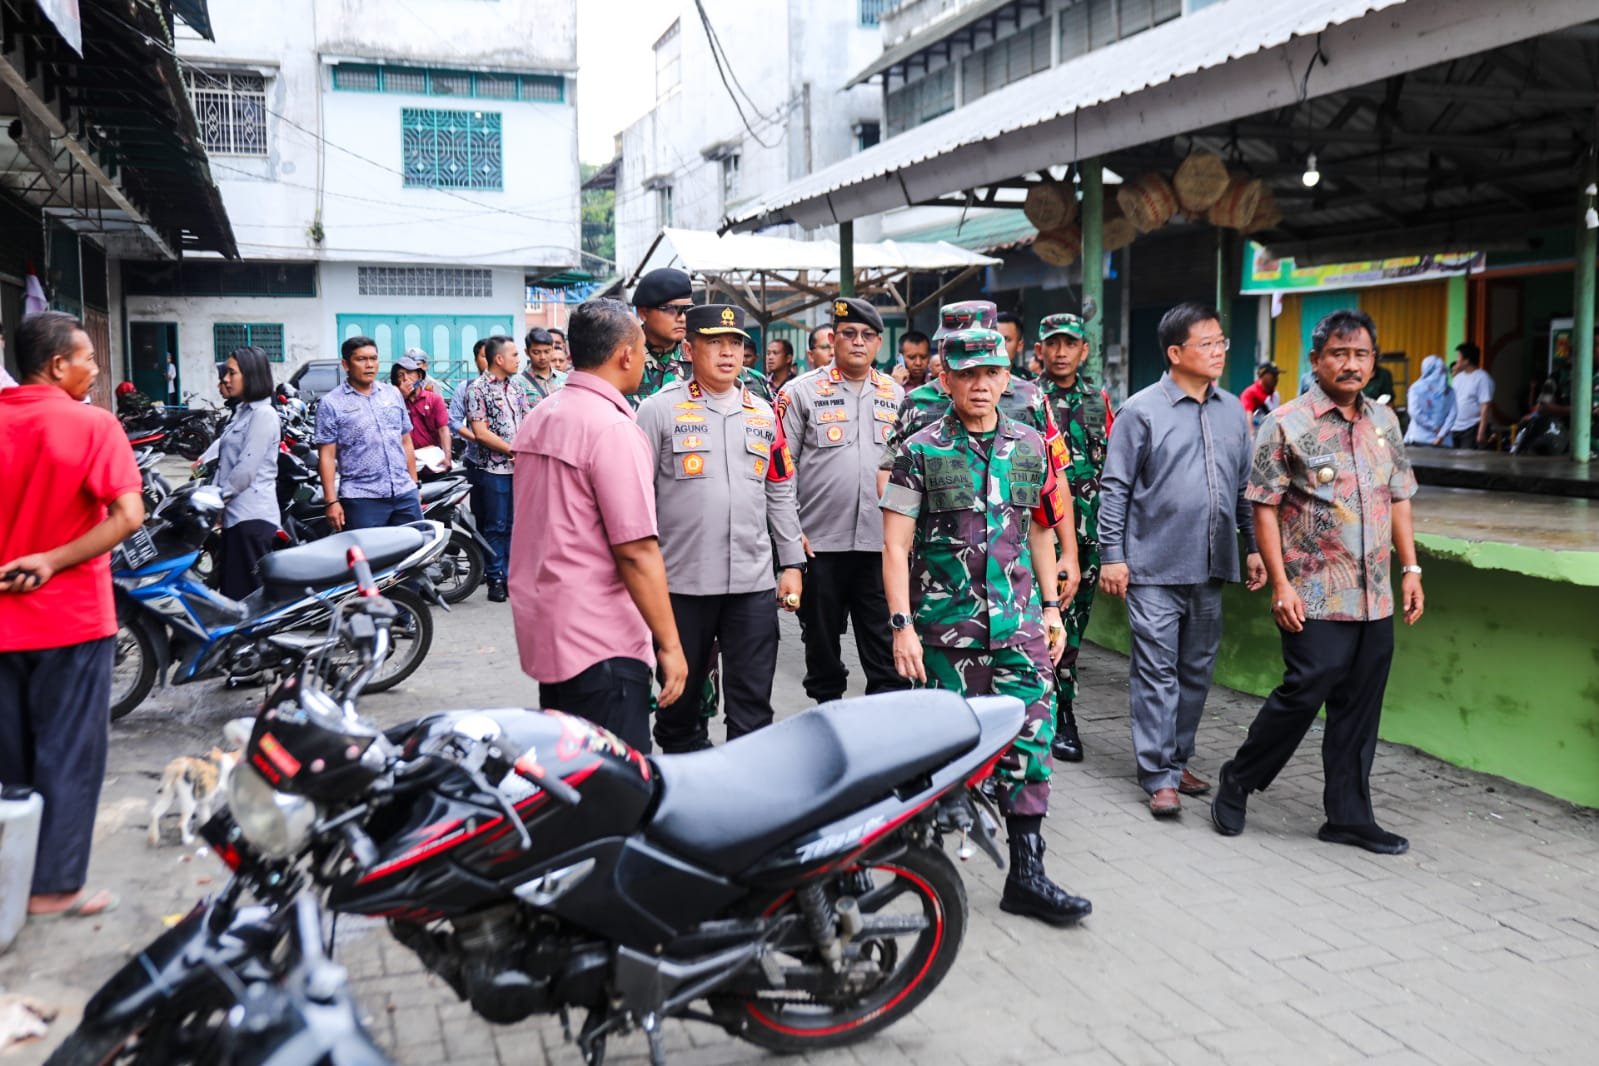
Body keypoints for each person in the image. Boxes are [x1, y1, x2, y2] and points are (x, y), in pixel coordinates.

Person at [882, 326, 1090, 926]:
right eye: (967, 374)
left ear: (1007, 377)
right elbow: (895, 547)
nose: (980, 385)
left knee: (1032, 743)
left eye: (990, 373)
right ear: (944, 379)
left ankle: (1027, 874)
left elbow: (1039, 530)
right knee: (943, 752)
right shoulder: (920, 448)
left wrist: (1051, 608)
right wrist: (901, 627)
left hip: (1021, 627)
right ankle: (915, 871)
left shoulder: (1029, 444)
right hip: (947, 633)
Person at [1212, 309, 1423, 855]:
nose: (1351, 365)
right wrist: (1280, 584)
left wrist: (1411, 569)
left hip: (1374, 594)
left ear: (1373, 361)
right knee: (1304, 691)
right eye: (1339, 353)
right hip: (1313, 590)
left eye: (1361, 355)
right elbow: (1263, 508)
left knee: (1360, 704)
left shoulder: (1384, 422)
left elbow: (1398, 498)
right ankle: (1239, 779)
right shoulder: (1286, 422)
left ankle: (1349, 817)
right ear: (1316, 360)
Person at [0, 310, 144, 920]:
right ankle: (54, 887)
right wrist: (53, 560)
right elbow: (128, 516)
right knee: (68, 753)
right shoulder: (93, 426)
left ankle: (9, 878)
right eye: (87, 358)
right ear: (57, 365)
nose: (95, 368)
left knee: (10, 761)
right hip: (72, 620)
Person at [1097, 302, 1266, 818]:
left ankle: (1177, 758)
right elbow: (1115, 488)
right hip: (1151, 566)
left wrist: (1254, 546)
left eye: (1222, 343)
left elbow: (1243, 487)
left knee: (1196, 670)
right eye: (1207, 343)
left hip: (1211, 566)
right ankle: (1157, 775)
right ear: (1176, 353)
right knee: (1156, 672)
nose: (1218, 352)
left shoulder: (1232, 411)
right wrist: (1112, 556)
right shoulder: (1140, 411)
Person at [509, 299, 688, 751]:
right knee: (617, 783)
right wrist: (669, 643)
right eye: (643, 347)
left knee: (569, 772)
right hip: (601, 640)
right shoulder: (611, 428)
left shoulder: (540, 417)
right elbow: (635, 549)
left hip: (549, 628)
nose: (645, 357)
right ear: (625, 355)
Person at [635, 304, 804, 752]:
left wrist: (792, 563)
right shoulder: (658, 411)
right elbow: (635, 496)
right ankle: (684, 792)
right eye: (715, 343)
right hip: (681, 584)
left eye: (735, 344)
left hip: (751, 584)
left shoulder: (764, 414)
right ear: (690, 349)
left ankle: (747, 799)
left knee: (753, 705)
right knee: (679, 703)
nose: (728, 353)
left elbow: (781, 489)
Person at [777, 298, 908, 703]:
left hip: (879, 548)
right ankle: (828, 727)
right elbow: (781, 475)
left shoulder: (898, 395)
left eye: (867, 335)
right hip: (819, 548)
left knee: (886, 659)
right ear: (832, 339)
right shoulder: (799, 393)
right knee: (822, 656)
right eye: (848, 334)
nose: (857, 342)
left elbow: (906, 471)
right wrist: (789, 539)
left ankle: (882, 750)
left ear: (879, 344)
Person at [1036, 312, 1115, 763]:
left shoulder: (1098, 402)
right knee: (1036, 627)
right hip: (1037, 540)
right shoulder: (1024, 399)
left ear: (1083, 351)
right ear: (1040, 350)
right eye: (1054, 344)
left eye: (1070, 344)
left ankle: (1064, 715)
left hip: (1086, 543)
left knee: (1072, 632)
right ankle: (1036, 712)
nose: (1062, 352)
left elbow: (1115, 473)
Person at [315, 336, 420, 532]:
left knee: (412, 555)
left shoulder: (393, 394)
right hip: (362, 498)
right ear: (346, 364)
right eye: (361, 359)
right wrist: (331, 502)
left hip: (404, 493)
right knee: (370, 560)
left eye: (373, 358)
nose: (369, 365)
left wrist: (414, 485)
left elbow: (406, 441)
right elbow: (327, 456)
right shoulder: (331, 403)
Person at [630, 267, 770, 406]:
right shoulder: (623, 361)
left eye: (686, 310)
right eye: (672, 309)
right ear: (643, 312)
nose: (682, 318)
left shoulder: (712, 364)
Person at [468, 335, 537, 602]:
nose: (519, 360)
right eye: (515, 355)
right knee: (495, 526)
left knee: (513, 525)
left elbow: (527, 421)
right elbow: (480, 432)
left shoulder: (517, 388)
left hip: (519, 469)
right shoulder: (478, 389)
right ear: (499, 359)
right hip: (493, 470)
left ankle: (510, 576)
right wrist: (512, 450)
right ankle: (495, 578)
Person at [214, 345, 282, 600]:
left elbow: (245, 470)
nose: (226, 379)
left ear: (251, 375)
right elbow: (225, 463)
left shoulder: (263, 415)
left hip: (252, 519)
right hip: (236, 517)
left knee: (248, 599)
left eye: (232, 373)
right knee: (233, 595)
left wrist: (215, 500)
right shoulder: (241, 412)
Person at [394, 351, 451, 458]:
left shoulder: (433, 393)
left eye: (410, 373)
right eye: (401, 375)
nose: (406, 379)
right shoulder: (394, 397)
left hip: (431, 454)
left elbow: (443, 428)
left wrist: (447, 456)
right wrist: (400, 397)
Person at [1448, 342, 1494, 449]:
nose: (1456, 359)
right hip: (1455, 427)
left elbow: (1485, 406)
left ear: (1466, 360)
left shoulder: (1482, 378)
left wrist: (1481, 432)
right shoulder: (1458, 377)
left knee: (1467, 462)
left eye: (1459, 356)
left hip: (1472, 428)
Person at [1403, 354, 1455, 447]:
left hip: (1419, 439)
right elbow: (1452, 415)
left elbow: (1414, 412)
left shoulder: (1416, 388)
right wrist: (1441, 434)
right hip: (1444, 442)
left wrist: (1435, 428)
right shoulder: (1450, 391)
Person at [521, 327, 567, 400]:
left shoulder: (565, 379)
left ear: (552, 349)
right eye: (536, 352)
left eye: (547, 352)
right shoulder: (518, 382)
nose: (542, 357)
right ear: (527, 352)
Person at [1239, 362, 1281, 428]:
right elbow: (1247, 418)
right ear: (1263, 375)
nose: (1276, 378)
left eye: (1277, 375)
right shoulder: (1250, 393)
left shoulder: (1275, 395)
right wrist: (1251, 436)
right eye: (1273, 375)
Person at [997, 311, 1033, 380]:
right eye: (994, 338)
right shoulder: (974, 380)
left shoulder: (1032, 382)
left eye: (1006, 339)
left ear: (1019, 345)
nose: (999, 345)